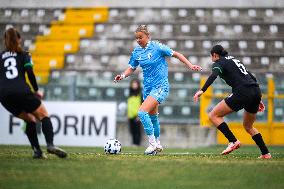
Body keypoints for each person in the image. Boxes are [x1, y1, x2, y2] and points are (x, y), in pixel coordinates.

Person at [114, 25, 202, 155]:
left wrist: (190, 65)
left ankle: (152, 144)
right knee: (153, 117)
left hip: (161, 87)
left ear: (148, 36)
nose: (138, 40)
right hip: (148, 89)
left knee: (142, 112)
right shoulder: (137, 52)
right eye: (136, 38)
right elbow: (132, 68)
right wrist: (122, 75)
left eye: (141, 37)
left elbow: (176, 54)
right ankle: (158, 143)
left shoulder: (157, 47)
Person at [193, 44, 271, 159]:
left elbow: (214, 75)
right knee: (248, 126)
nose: (211, 59)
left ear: (215, 55)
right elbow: (250, 76)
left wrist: (202, 90)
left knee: (213, 115)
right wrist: (257, 98)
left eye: (211, 56)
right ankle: (265, 153)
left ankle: (233, 141)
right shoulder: (234, 59)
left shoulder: (219, 63)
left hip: (242, 92)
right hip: (255, 91)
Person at [0, 27, 67, 159]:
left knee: (30, 119)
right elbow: (29, 72)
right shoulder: (24, 54)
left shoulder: (0, 57)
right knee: (44, 116)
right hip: (21, 90)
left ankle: (37, 151)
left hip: (3, 95)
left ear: (5, 41)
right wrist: (36, 90)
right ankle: (50, 145)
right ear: (19, 40)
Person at [127, 78, 142, 146]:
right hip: (130, 115)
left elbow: (142, 105)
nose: (134, 85)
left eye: (135, 84)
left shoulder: (140, 94)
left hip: (137, 116)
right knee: (132, 131)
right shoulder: (130, 94)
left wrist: (139, 116)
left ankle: (137, 144)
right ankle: (133, 143)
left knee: (137, 131)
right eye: (133, 84)